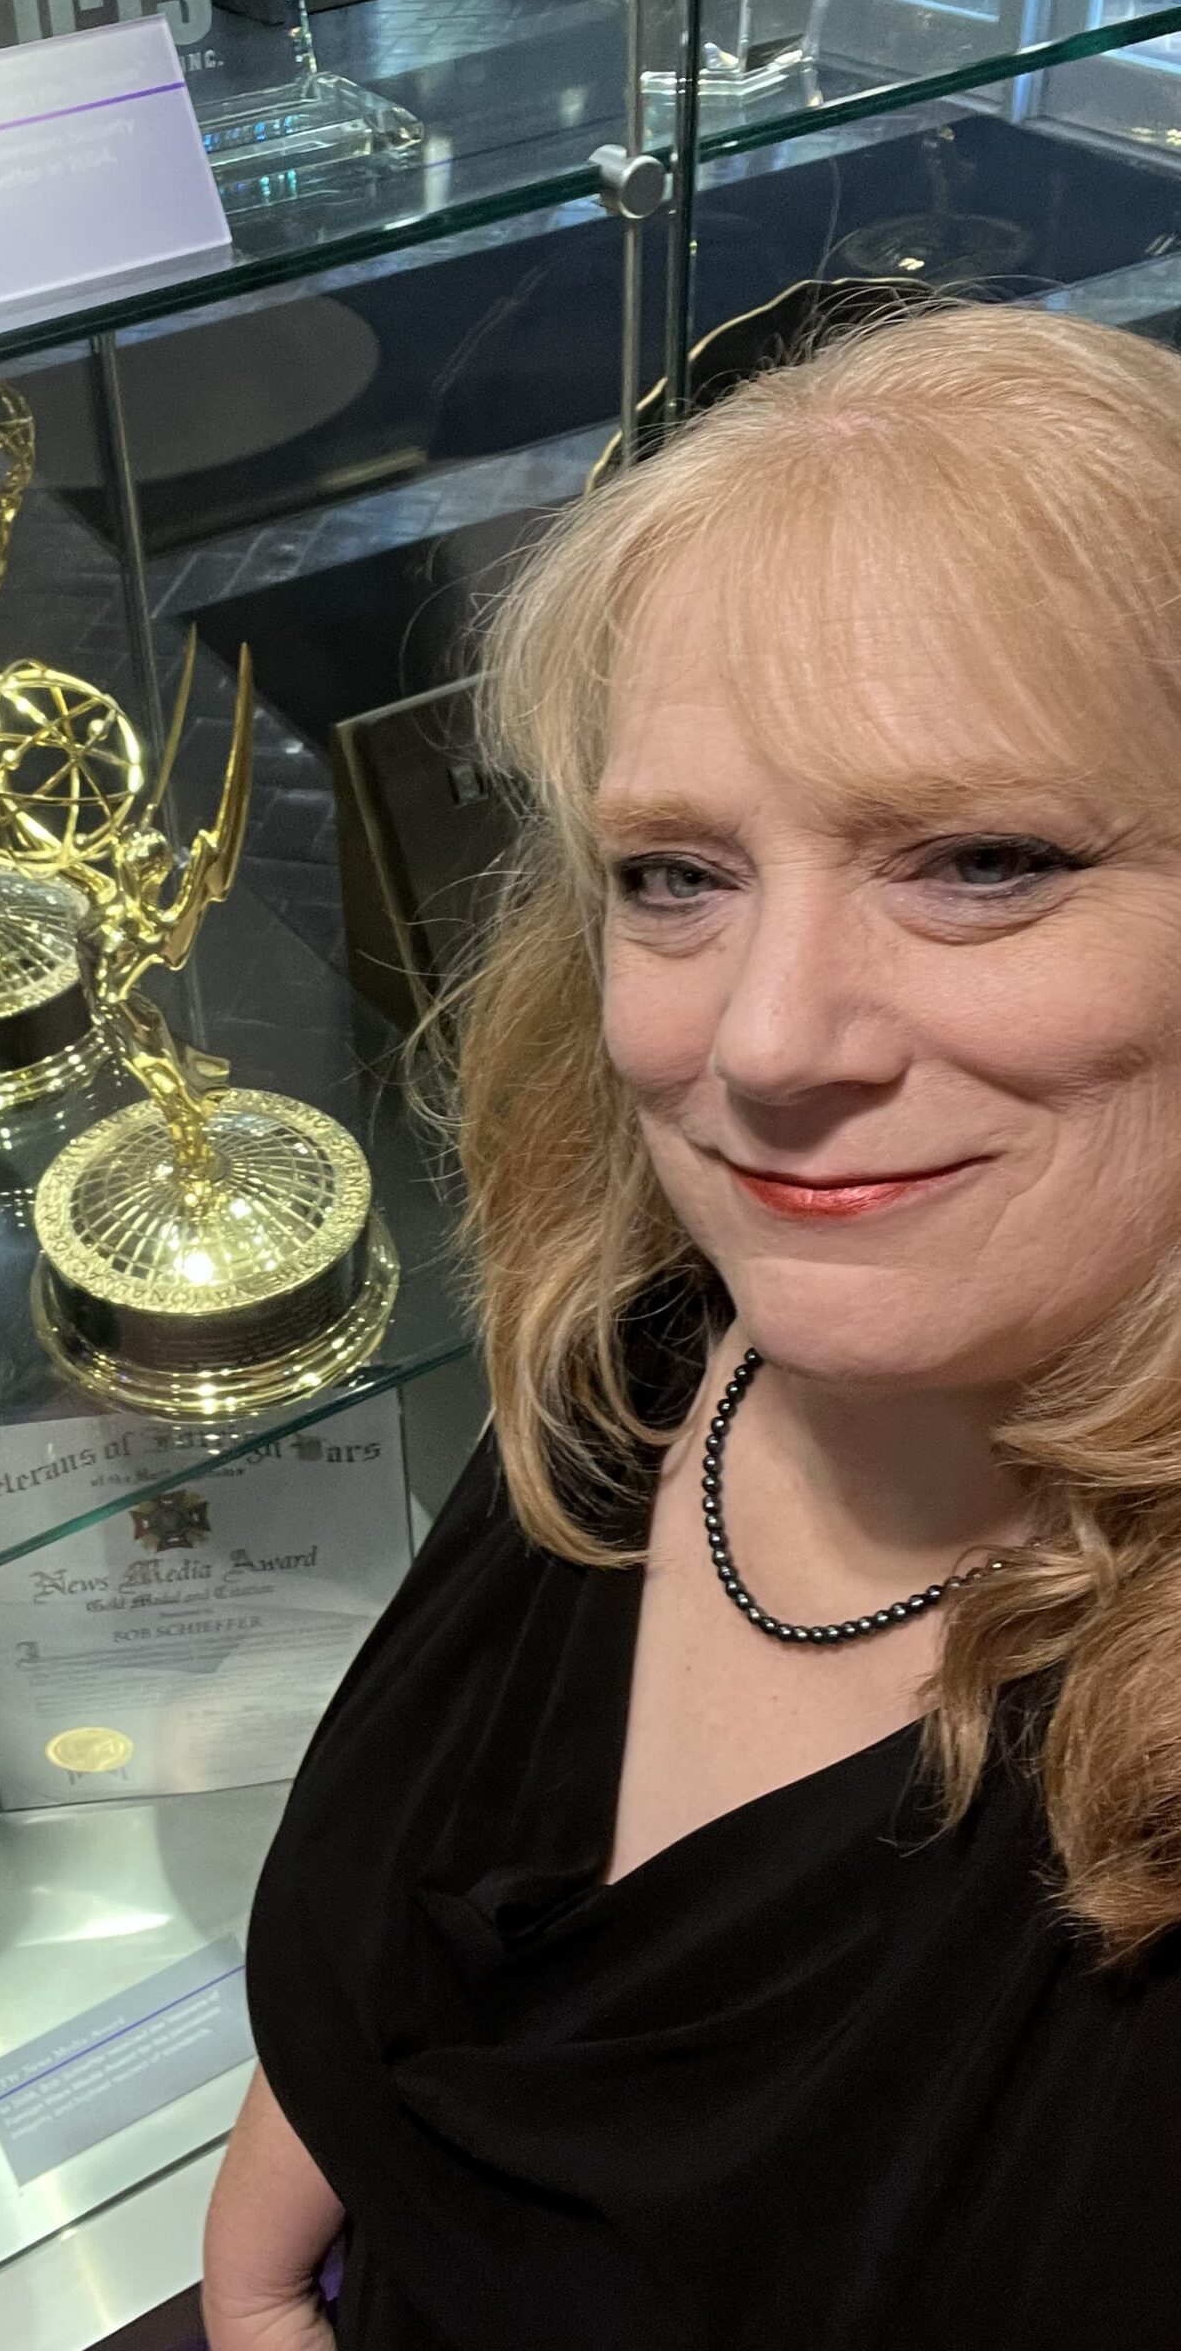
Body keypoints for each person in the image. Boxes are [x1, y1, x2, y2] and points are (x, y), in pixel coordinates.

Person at [206, 305, 1181, 2350]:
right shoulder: (649, 1350)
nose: (758, 1041)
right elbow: (420, 1935)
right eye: (676, 872)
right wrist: (271, 2228)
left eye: (984, 862)